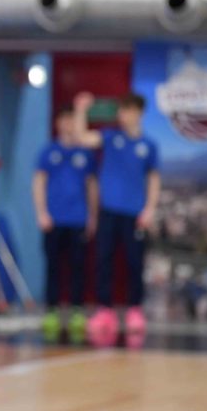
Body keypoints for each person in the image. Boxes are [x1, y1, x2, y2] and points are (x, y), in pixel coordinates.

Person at [73, 92, 161, 348]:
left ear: (138, 113)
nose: (122, 115)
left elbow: (153, 179)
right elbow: (82, 137)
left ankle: (135, 310)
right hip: (108, 211)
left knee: (135, 262)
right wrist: (81, 110)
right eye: (121, 110)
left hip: (134, 214)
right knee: (103, 260)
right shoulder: (111, 137)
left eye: (127, 110)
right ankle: (104, 310)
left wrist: (149, 209)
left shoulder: (148, 145)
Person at [32, 106, 98, 344]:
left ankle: (77, 311)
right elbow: (39, 183)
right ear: (58, 123)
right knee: (53, 267)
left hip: (78, 219)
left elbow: (92, 186)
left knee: (78, 267)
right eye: (64, 120)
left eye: (71, 120)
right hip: (54, 220)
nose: (68, 125)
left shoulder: (85, 154)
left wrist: (92, 216)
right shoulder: (49, 152)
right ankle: (51, 311)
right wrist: (42, 213)